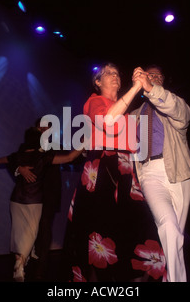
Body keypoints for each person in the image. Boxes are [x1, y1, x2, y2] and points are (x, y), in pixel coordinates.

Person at [63, 62, 166, 282]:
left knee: (140, 225)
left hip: (126, 168)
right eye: (108, 73)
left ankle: (132, 277)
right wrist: (136, 87)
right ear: (97, 82)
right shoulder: (94, 101)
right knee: (100, 230)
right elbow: (108, 121)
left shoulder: (127, 111)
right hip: (102, 169)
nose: (115, 76)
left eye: (118, 73)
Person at [131, 65, 190, 282]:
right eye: (149, 75)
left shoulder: (172, 105)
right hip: (150, 174)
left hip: (178, 174)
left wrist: (150, 87)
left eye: (158, 76)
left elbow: (182, 113)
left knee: (175, 236)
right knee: (168, 226)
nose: (153, 78)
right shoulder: (136, 115)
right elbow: (110, 127)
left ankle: (170, 278)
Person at [0, 126, 82, 282]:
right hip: (34, 201)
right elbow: (70, 158)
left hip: (17, 200)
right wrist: (85, 142)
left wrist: (18, 166)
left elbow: (0, 160)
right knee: (30, 234)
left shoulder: (20, 154)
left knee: (21, 233)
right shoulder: (42, 156)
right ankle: (21, 262)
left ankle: (22, 262)